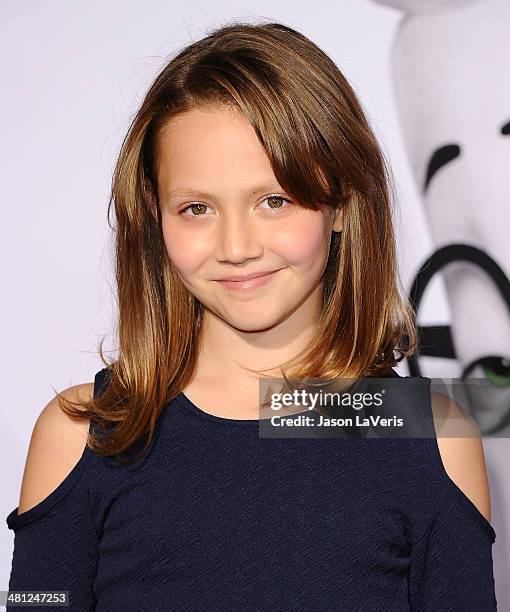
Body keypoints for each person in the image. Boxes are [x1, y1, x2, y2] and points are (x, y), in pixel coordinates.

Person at [5, 20, 497, 611]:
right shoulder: (81, 434)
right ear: (154, 221)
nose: (236, 245)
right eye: (196, 208)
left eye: (274, 200)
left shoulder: (432, 437)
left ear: (340, 204)